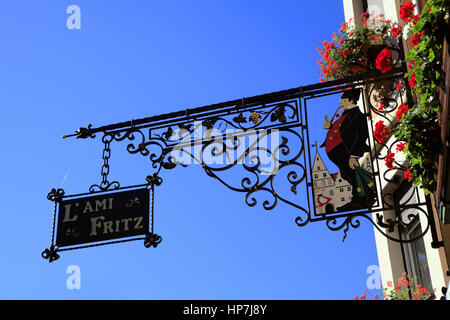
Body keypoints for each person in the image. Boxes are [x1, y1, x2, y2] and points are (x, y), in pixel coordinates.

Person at [321, 89, 375, 212]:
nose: (342, 104)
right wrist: (330, 127)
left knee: (352, 174)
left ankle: (361, 200)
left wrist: (353, 155)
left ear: (351, 100)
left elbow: (361, 135)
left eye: (344, 101)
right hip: (335, 151)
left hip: (344, 151)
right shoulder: (345, 114)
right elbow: (341, 129)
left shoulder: (357, 116)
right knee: (347, 175)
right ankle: (364, 197)